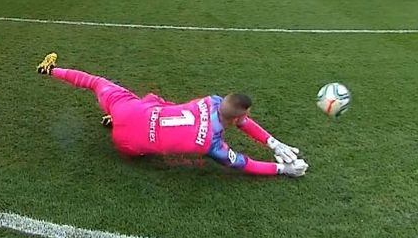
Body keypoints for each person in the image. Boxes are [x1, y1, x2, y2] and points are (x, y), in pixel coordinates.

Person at [35, 53, 308, 177]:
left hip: (129, 110)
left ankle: (51, 70)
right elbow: (243, 163)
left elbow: (239, 117)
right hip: (129, 146)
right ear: (237, 119)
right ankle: (118, 123)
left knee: (97, 82)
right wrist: (282, 169)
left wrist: (272, 143)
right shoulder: (212, 145)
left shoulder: (211, 100)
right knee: (151, 134)